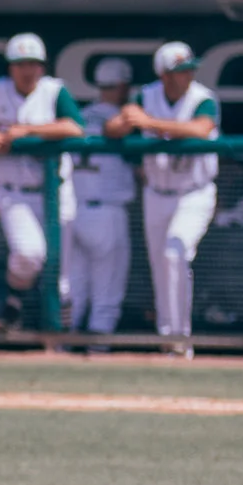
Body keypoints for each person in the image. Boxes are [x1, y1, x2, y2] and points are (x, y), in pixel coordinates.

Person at [0, 32, 84, 331]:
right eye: (21, 64)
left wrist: (27, 131)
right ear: (10, 67)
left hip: (56, 192)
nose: (28, 70)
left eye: (34, 64)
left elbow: (75, 127)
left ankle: (59, 343)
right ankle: (15, 299)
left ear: (42, 67)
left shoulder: (54, 91)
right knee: (29, 254)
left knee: (61, 276)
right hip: (15, 193)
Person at [107, 41, 220, 349]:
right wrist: (125, 118)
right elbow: (112, 129)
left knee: (175, 253)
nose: (187, 75)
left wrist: (150, 123)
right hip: (156, 193)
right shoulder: (147, 95)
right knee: (161, 266)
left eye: (189, 69)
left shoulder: (203, 98)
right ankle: (167, 340)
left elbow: (201, 129)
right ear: (164, 75)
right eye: (180, 71)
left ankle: (180, 339)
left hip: (194, 193)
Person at [65, 57, 138, 337]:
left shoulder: (77, 117)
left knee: (75, 289)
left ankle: (60, 350)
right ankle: (98, 352)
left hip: (74, 211)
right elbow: (142, 169)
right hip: (107, 212)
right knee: (106, 294)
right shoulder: (123, 123)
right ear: (122, 86)